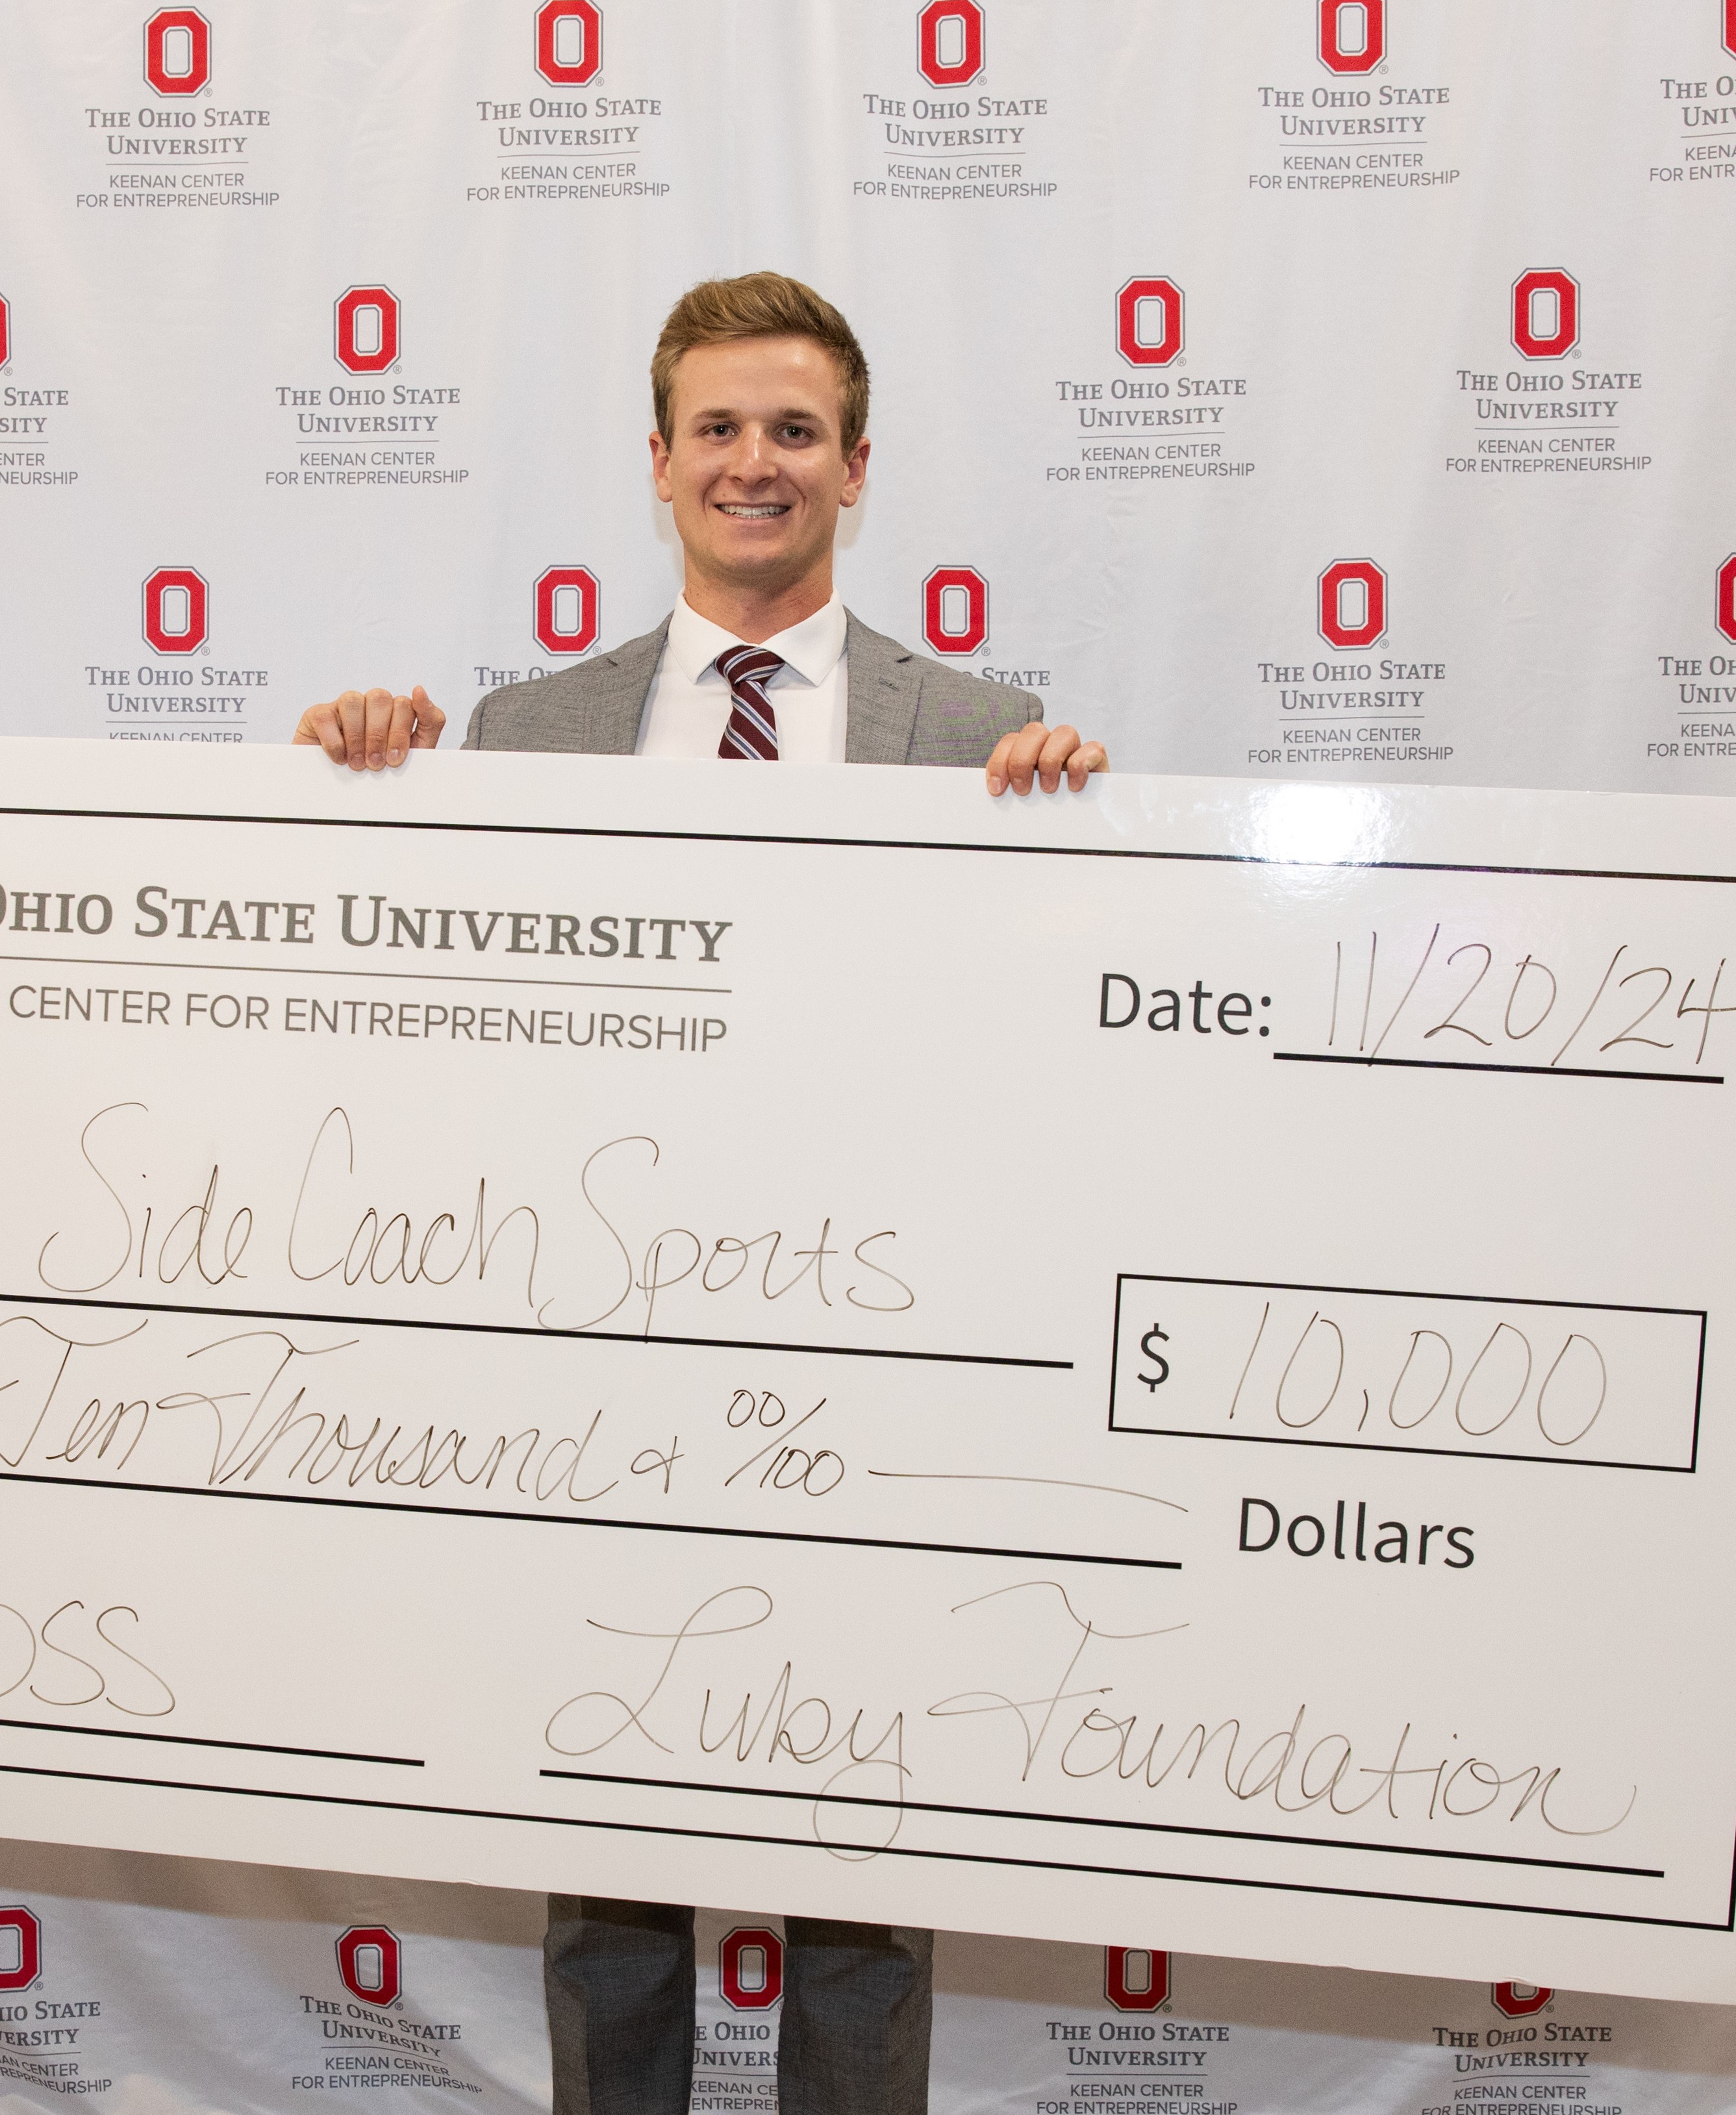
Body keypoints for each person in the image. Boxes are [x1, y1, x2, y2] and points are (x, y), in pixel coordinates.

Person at [292, 271, 1108, 2115]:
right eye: (720, 429)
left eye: (794, 431)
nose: (757, 462)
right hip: (605, 1371)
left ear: (856, 467)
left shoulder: (989, 732)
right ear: (658, 463)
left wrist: (1080, 856)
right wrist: (358, 790)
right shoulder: (519, 732)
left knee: (864, 1867)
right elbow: (427, 1019)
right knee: (606, 1854)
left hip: (872, 1367)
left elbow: (1043, 1055)